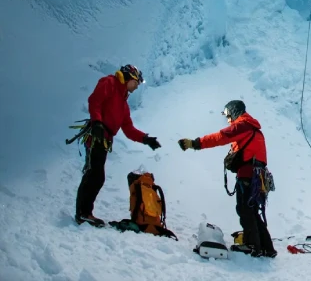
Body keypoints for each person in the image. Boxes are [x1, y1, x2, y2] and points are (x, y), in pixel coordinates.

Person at [178, 100, 276, 258]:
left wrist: (195, 143)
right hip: (258, 176)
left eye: (229, 116)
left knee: (244, 209)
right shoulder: (254, 128)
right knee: (252, 210)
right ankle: (266, 247)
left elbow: (221, 137)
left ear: (234, 112)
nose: (228, 121)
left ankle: (252, 246)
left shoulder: (243, 125)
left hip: (248, 174)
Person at [75, 64, 161, 227]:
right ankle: (83, 213)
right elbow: (95, 101)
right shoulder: (109, 83)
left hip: (104, 139)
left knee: (94, 175)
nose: (136, 87)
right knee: (95, 175)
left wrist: (146, 139)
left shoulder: (123, 104)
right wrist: (98, 123)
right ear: (130, 78)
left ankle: (84, 213)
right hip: (96, 136)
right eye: (136, 82)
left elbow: (128, 129)